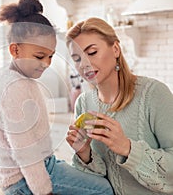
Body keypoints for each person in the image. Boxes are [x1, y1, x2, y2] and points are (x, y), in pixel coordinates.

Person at [0, 0, 113, 195]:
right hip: (24, 181)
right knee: (105, 190)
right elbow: (25, 151)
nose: (46, 63)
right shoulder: (15, 88)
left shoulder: (15, 80)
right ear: (15, 49)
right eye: (39, 56)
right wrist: (44, 191)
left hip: (36, 169)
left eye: (51, 56)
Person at [66, 17, 173, 195]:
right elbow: (96, 183)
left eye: (91, 53)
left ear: (115, 49)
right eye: (76, 58)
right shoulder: (83, 103)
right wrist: (85, 155)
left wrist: (127, 148)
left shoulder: (154, 94)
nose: (83, 64)